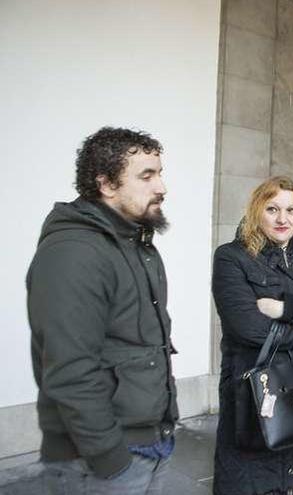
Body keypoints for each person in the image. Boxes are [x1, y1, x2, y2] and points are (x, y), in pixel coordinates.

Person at [27, 127, 176, 494]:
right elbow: (70, 369)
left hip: (148, 444)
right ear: (106, 184)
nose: (162, 187)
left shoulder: (135, 243)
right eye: (147, 175)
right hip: (99, 461)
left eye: (159, 172)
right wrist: (110, 458)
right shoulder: (75, 252)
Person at [211, 176, 293, 495]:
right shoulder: (232, 257)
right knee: (254, 479)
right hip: (256, 388)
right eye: (273, 209)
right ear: (258, 210)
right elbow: (248, 327)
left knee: (292, 477)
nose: (283, 219)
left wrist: (283, 309)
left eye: (291, 210)